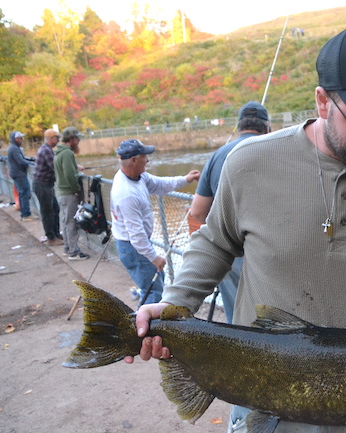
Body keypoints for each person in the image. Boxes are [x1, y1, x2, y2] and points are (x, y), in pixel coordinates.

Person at [127, 21, 346, 433]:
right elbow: (214, 242)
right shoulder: (249, 163)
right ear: (322, 102)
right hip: (260, 387)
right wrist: (174, 306)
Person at [189, 101, 271, 324]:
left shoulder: (218, 156)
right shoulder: (276, 151)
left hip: (230, 252)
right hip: (270, 253)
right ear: (268, 128)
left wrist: (223, 228)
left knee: (237, 314)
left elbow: (197, 211)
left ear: (239, 127)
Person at [110, 139, 200, 306]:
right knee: (153, 293)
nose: (148, 160)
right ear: (134, 160)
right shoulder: (126, 193)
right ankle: (141, 329)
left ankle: (144, 323)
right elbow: (136, 236)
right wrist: (154, 257)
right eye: (145, 156)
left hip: (135, 246)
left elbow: (159, 184)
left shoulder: (138, 176)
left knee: (154, 285)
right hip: (133, 248)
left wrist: (186, 179)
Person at [55, 127, 89, 261]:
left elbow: (67, 170)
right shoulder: (67, 153)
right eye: (77, 138)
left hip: (62, 192)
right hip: (69, 193)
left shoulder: (59, 152)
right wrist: (76, 189)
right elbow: (69, 174)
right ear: (71, 139)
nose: (79, 140)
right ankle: (74, 252)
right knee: (72, 222)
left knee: (65, 221)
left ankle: (67, 248)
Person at [33, 129, 63, 246]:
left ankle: (56, 233)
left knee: (55, 209)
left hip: (46, 185)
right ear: (51, 139)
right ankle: (51, 238)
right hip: (42, 185)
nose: (58, 140)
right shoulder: (46, 151)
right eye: (56, 138)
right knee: (47, 212)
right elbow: (55, 167)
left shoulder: (47, 150)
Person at [7, 131, 37, 221]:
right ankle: (26, 214)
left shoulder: (13, 148)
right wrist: (33, 164)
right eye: (20, 138)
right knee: (25, 193)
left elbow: (22, 158)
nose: (22, 140)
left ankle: (24, 212)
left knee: (22, 193)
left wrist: (31, 159)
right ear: (16, 139)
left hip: (16, 173)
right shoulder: (14, 148)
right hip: (19, 174)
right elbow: (21, 161)